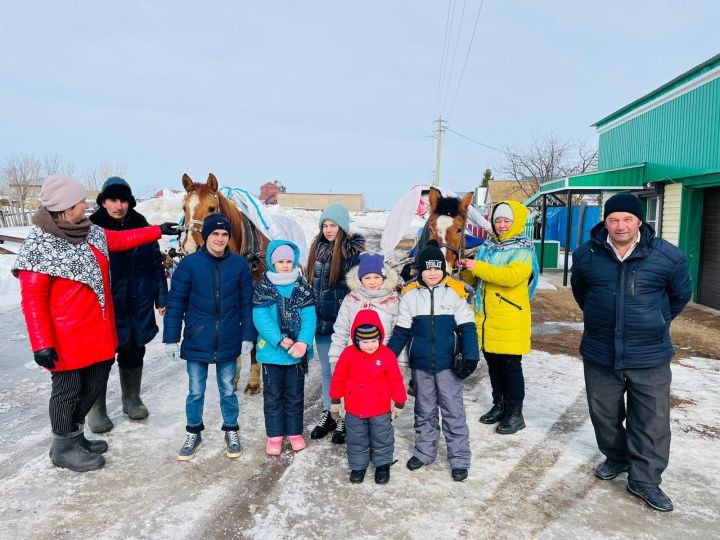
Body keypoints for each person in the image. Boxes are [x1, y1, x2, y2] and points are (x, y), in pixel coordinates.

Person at [12, 174, 178, 472]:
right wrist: (41, 344)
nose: (85, 207)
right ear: (64, 207)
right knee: (67, 389)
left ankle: (76, 436)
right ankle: (63, 446)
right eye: (79, 203)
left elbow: (123, 239)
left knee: (96, 379)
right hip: (64, 335)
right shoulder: (40, 245)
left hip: (98, 329)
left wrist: (156, 231)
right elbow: (32, 300)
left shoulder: (90, 232)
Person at [571, 192, 691, 513]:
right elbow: (582, 293)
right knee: (605, 415)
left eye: (627, 219)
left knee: (651, 419)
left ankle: (645, 479)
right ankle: (617, 457)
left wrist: (656, 322)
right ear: (605, 222)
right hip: (600, 352)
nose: (620, 225)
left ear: (639, 221)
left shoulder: (668, 257)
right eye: (613, 219)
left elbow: (679, 296)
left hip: (649, 354)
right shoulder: (586, 256)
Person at [163, 214, 256, 461]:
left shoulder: (239, 266)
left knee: (228, 389)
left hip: (228, 338)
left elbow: (247, 304)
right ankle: (194, 432)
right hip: (197, 338)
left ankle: (231, 430)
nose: (220, 238)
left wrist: (248, 335)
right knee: (195, 390)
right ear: (206, 237)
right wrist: (171, 338)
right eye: (215, 234)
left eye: (224, 234)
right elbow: (176, 304)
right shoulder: (189, 265)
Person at [387, 240, 479, 482]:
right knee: (424, 411)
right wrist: (386, 358)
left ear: (443, 269)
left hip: (449, 365)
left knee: (453, 411)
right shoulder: (409, 296)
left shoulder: (455, 293)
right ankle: (425, 452)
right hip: (421, 366)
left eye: (437, 268)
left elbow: (468, 328)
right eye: (427, 269)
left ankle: (459, 458)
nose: (432, 273)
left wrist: (471, 355)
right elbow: (401, 333)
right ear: (419, 270)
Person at [87, 177, 168, 432]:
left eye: (124, 200)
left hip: (138, 301)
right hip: (105, 306)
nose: (119, 205)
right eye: (113, 200)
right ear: (103, 201)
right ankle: (96, 408)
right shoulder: (91, 228)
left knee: (134, 349)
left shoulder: (141, 225)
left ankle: (131, 399)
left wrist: (161, 297)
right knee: (100, 357)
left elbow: (156, 263)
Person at [459, 200, 539, 434]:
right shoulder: (489, 246)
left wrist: (479, 267)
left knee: (511, 367)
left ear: (516, 223)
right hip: (487, 317)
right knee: (494, 365)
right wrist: (466, 269)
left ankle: (515, 413)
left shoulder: (523, 249)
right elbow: (479, 278)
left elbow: (513, 277)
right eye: (498, 221)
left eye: (506, 221)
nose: (502, 225)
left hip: (509, 317)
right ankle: (500, 405)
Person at [328, 251, 408, 444]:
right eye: (367, 277)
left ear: (384, 278)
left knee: (381, 410)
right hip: (355, 363)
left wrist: (400, 363)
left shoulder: (394, 300)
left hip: (383, 364)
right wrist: (335, 359)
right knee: (356, 404)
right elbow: (341, 330)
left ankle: (380, 444)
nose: (372, 282)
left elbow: (400, 332)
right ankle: (358, 441)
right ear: (360, 279)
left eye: (376, 277)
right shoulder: (351, 300)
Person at [305, 203, 365, 440]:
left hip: (342, 326)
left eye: (334, 225)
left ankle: (345, 417)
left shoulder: (351, 254)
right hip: (321, 325)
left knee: (345, 372)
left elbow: (358, 289)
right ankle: (329, 412)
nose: (329, 230)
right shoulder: (316, 250)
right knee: (328, 373)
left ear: (343, 227)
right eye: (325, 225)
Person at [252, 240, 316, 456]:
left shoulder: (302, 287)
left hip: (296, 356)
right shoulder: (264, 287)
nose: (286, 265)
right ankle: (275, 435)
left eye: (289, 261)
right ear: (272, 262)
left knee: (295, 396)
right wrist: (279, 339)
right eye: (281, 261)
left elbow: (309, 317)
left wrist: (303, 342)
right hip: (272, 354)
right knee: (273, 396)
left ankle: (295, 432)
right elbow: (260, 317)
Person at [330, 309, 407, 484]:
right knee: (357, 438)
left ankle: (383, 465)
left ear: (380, 338)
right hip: (355, 408)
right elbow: (339, 378)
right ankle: (358, 467)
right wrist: (335, 400)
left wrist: (399, 402)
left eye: (374, 340)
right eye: (365, 342)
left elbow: (395, 379)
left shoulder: (386, 355)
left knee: (382, 436)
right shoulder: (348, 354)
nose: (370, 345)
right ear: (356, 341)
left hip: (380, 408)